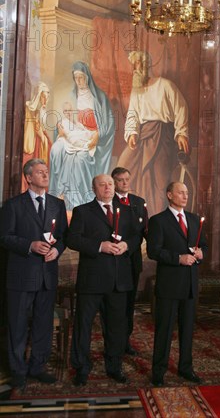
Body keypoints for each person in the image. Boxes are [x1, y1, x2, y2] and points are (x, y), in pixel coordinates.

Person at [67, 174, 140, 386]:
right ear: (94, 188)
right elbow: (73, 239)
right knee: (84, 325)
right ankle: (81, 367)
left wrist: (127, 245)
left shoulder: (127, 211)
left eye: (110, 184)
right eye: (103, 184)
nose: (108, 187)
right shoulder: (82, 211)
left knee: (116, 327)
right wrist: (100, 246)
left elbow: (137, 236)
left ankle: (114, 366)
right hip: (92, 280)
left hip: (119, 280)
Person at [0, 158, 67, 389]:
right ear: (29, 178)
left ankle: (37, 367)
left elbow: (63, 237)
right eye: (40, 172)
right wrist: (30, 245)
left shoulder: (57, 204)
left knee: (43, 324)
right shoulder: (13, 205)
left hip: (47, 275)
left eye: (46, 171)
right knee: (17, 325)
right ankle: (17, 370)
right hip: (21, 275)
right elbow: (4, 237)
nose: (45, 175)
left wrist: (56, 251)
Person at [147, 182, 207, 387]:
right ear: (169, 194)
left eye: (187, 192)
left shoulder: (193, 219)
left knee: (188, 330)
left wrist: (201, 254)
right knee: (164, 330)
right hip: (169, 284)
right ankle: (159, 371)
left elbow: (203, 245)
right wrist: (178, 258)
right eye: (181, 192)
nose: (185, 195)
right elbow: (154, 251)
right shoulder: (158, 221)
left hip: (190, 284)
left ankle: (185, 368)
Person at [117, 51, 189, 216]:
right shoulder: (137, 91)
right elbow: (133, 114)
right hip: (143, 135)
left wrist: (181, 133)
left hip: (162, 135)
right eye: (134, 65)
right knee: (124, 164)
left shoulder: (165, 85)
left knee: (159, 178)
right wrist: (132, 132)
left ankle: (156, 216)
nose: (136, 68)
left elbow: (181, 107)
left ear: (147, 65)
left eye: (139, 64)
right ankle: (131, 215)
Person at [49, 61, 115, 210]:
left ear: (87, 78)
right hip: (73, 133)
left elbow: (107, 124)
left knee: (80, 159)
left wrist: (97, 135)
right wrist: (60, 127)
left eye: (81, 77)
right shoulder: (72, 95)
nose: (78, 81)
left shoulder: (99, 98)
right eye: (76, 77)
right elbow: (65, 117)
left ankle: (80, 201)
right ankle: (59, 195)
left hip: (91, 135)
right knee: (56, 149)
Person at [111, 166, 147, 356]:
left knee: (129, 304)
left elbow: (144, 231)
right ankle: (113, 341)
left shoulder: (139, 202)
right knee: (115, 305)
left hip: (132, 260)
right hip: (113, 261)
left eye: (127, 179)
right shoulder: (109, 201)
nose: (125, 183)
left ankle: (126, 340)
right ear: (114, 182)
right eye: (120, 180)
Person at [21, 82, 51, 192]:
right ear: (39, 95)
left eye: (47, 97)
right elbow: (30, 128)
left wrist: (43, 138)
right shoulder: (29, 107)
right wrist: (39, 135)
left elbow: (41, 128)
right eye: (44, 97)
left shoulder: (41, 110)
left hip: (39, 142)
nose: (45, 101)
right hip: (30, 142)